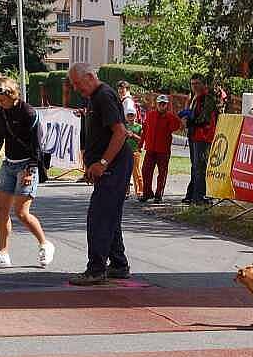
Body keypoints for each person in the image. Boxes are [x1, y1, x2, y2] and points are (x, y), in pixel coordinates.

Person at [68, 63, 133, 286]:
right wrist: (92, 163)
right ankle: (118, 264)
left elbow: (121, 132)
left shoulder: (104, 95)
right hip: (109, 164)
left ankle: (96, 269)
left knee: (99, 216)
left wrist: (103, 163)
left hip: (115, 164)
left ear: (89, 77)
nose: (76, 89)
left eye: (77, 84)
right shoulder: (95, 98)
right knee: (110, 214)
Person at [0, 77, 55, 269]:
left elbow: (37, 145)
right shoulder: (0, 112)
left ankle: (45, 244)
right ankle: (2, 253)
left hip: (26, 165)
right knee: (1, 210)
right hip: (9, 165)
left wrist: (31, 169)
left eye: (2, 100)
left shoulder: (28, 112)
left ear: (12, 94)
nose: (0, 104)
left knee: (21, 213)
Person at [179, 74, 218, 205]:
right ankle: (192, 195)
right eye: (192, 84)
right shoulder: (193, 98)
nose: (194, 86)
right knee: (195, 166)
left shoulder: (207, 98)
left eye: (197, 83)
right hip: (193, 135)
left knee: (200, 167)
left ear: (203, 84)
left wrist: (190, 121)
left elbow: (205, 119)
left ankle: (199, 196)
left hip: (203, 136)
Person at [139, 94, 181, 203]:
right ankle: (147, 193)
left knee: (162, 173)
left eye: (164, 104)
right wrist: (140, 145)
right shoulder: (150, 115)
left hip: (163, 150)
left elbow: (176, 126)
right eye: (160, 103)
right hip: (150, 149)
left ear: (166, 105)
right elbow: (145, 130)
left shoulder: (169, 116)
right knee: (145, 171)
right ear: (156, 104)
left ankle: (158, 194)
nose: (162, 106)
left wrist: (172, 115)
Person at [124, 103, 143, 198]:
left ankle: (139, 192)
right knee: (126, 172)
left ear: (135, 116)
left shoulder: (139, 127)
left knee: (136, 172)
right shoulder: (124, 126)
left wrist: (133, 135)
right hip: (126, 152)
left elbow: (142, 139)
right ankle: (126, 192)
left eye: (132, 115)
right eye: (129, 115)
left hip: (135, 151)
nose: (130, 117)